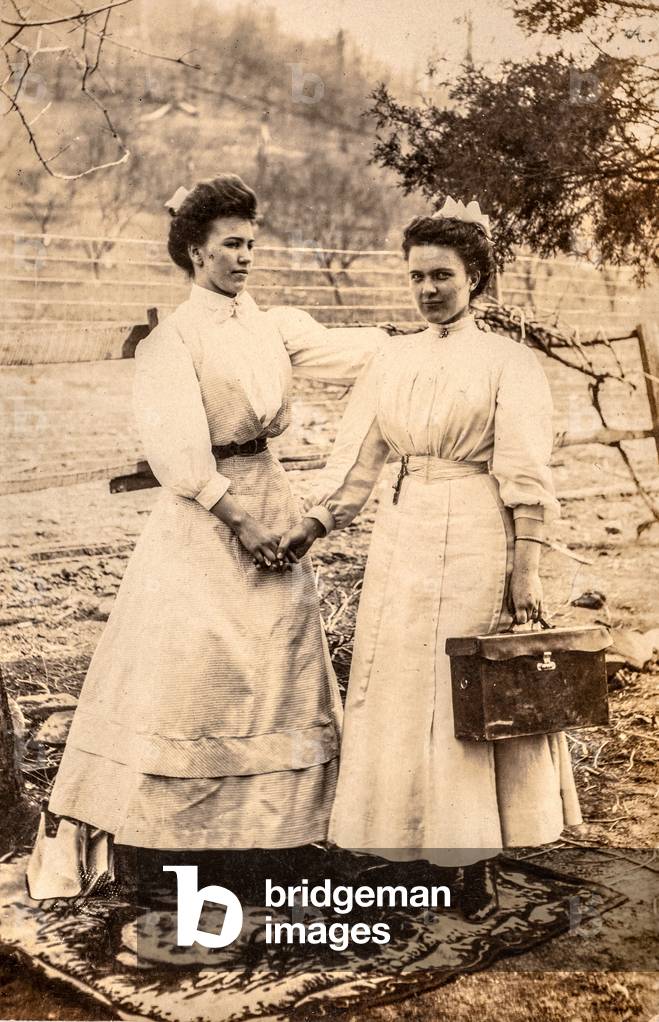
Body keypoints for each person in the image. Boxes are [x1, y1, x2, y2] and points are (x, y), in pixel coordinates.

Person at [27, 174, 387, 899]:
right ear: (197, 251)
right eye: (231, 245)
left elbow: (364, 354)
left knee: (281, 662)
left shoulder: (273, 326)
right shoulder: (173, 340)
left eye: (251, 243)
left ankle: (278, 839)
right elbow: (178, 453)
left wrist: (433, 341)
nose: (245, 256)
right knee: (200, 667)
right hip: (204, 516)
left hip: (272, 492)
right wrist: (241, 521)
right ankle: (176, 848)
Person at [278, 197, 582, 919]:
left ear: (474, 276)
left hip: (476, 528)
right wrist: (315, 523)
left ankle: (472, 858)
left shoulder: (507, 363)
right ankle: (402, 841)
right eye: (416, 276)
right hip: (403, 533)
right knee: (397, 682)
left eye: (441, 275)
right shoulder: (393, 357)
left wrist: (526, 570)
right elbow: (359, 457)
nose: (427, 289)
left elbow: (526, 473)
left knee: (462, 689)